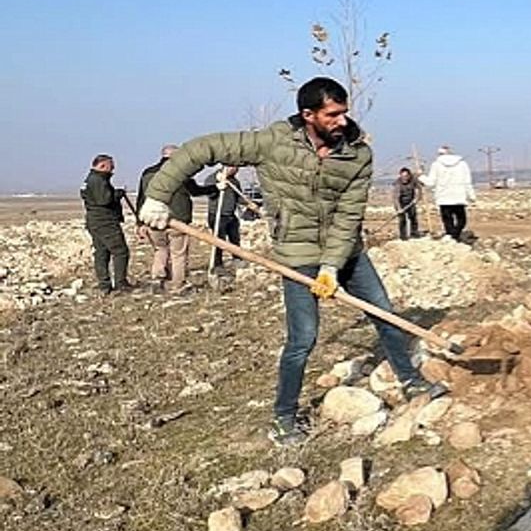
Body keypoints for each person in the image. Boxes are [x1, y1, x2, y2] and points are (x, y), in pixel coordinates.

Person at [138, 77, 448, 447]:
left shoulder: (356, 156)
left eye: (344, 113)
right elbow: (200, 149)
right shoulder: (272, 142)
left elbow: (349, 216)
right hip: (297, 257)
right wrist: (157, 196)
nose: (342, 121)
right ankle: (284, 418)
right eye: (332, 114)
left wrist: (332, 267)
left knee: (383, 312)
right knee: (303, 338)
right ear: (308, 115)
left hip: (346, 251)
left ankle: (411, 382)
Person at [137, 144, 211, 293]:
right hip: (177, 220)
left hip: (153, 219)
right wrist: (216, 188)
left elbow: (141, 198)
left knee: (160, 249)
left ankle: (157, 279)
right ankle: (178, 284)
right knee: (178, 254)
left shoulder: (147, 173)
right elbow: (195, 191)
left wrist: (140, 223)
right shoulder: (181, 172)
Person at [80, 154, 132, 294]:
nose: (113, 169)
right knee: (120, 251)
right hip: (105, 221)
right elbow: (104, 200)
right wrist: (117, 195)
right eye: (111, 166)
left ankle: (104, 284)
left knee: (102, 252)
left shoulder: (91, 180)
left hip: (95, 221)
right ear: (102, 165)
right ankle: (120, 283)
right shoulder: (98, 180)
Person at [420, 145, 476, 241]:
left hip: (444, 197)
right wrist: (471, 196)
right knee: (461, 220)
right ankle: (455, 235)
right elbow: (467, 181)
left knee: (447, 220)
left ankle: (451, 236)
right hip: (459, 196)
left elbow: (431, 183)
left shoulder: (436, 165)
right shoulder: (462, 164)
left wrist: (421, 177)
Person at [203, 165, 242, 269]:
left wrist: (251, 205)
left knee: (235, 239)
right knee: (219, 241)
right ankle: (217, 265)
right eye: (233, 168)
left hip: (230, 215)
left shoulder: (234, 181)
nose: (236, 170)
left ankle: (237, 259)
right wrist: (218, 186)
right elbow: (210, 194)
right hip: (217, 215)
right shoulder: (212, 178)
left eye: (237, 168)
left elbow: (238, 197)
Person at [393, 167, 422, 240]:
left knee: (413, 217)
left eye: (406, 176)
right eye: (402, 176)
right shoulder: (398, 184)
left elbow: (419, 188)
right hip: (400, 202)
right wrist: (399, 209)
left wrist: (417, 198)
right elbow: (396, 198)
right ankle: (403, 236)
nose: (404, 178)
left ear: (409, 176)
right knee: (402, 220)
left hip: (411, 201)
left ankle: (414, 233)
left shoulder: (413, 180)